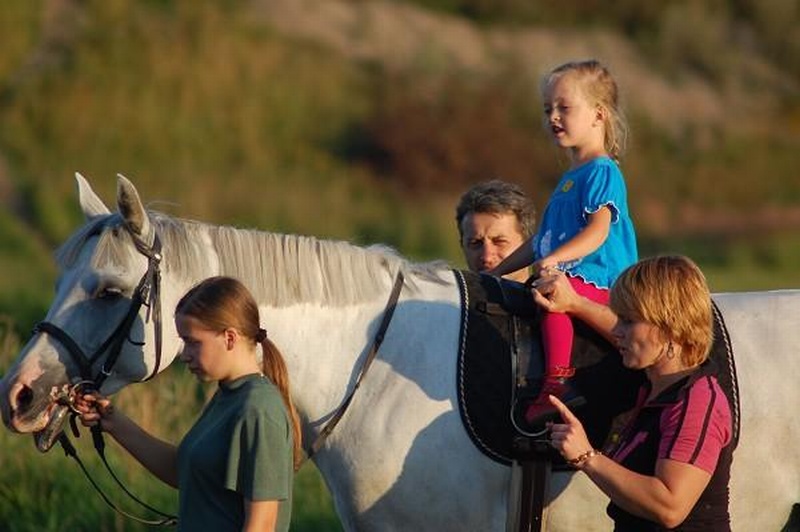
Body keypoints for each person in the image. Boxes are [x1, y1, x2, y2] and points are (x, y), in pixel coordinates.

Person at [76, 276, 303, 532]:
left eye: (193, 342)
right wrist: (113, 421)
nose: (184, 355)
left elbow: (261, 526)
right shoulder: (229, 396)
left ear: (230, 338)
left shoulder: (259, 410)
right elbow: (183, 471)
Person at [533, 256, 733, 531]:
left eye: (628, 321)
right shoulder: (658, 385)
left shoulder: (695, 401)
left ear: (669, 326)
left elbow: (670, 507)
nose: (617, 330)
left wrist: (586, 456)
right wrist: (575, 303)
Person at [490, 59, 638, 425]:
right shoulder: (571, 177)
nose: (552, 116)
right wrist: (498, 271)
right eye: (547, 109)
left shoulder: (603, 171)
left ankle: (556, 384)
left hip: (599, 279)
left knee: (552, 295)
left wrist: (554, 260)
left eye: (564, 107)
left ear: (598, 115)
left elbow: (598, 231)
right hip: (568, 271)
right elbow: (541, 241)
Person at [455, 179, 536, 283]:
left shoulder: (558, 296)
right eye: (475, 243)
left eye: (499, 242)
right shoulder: (445, 298)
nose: (487, 257)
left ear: (529, 243)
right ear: (462, 246)